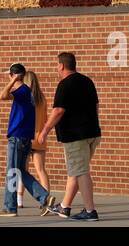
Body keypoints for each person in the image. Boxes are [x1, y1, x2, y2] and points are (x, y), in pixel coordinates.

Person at [36, 52, 101, 221]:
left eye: (57, 65)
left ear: (62, 66)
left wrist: (44, 131)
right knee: (76, 171)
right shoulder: (87, 81)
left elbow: (58, 110)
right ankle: (64, 207)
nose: (57, 68)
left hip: (75, 136)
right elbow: (96, 107)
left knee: (81, 171)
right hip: (92, 133)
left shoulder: (65, 84)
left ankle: (90, 211)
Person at [0, 63, 53, 217]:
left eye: (9, 74)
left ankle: (10, 207)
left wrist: (13, 81)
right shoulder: (27, 92)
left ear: (13, 75)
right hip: (25, 137)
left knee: (12, 172)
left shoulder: (22, 90)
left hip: (18, 137)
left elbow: (1, 96)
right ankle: (44, 197)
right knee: (20, 171)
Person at [20, 69, 52, 210]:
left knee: (23, 170)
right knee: (41, 170)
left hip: (26, 137)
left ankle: (19, 200)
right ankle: (46, 199)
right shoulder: (42, 98)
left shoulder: (24, 97)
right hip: (39, 138)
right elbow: (45, 119)